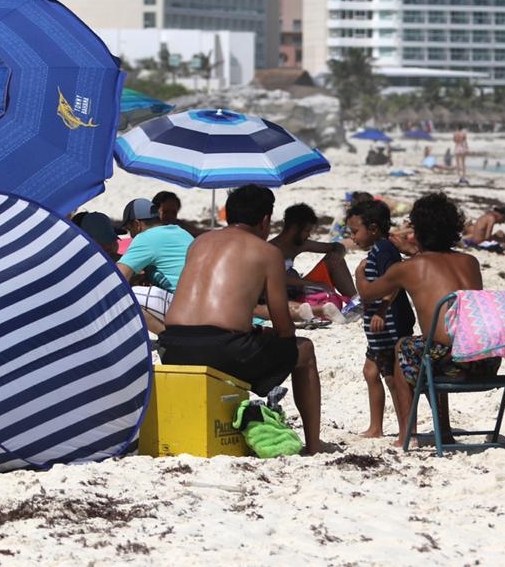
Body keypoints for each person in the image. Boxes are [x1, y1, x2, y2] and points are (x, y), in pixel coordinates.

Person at [161, 185, 323, 454]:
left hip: (173, 346)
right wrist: (273, 336)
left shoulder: (198, 242)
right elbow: (283, 326)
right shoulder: (267, 252)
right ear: (265, 221)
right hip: (222, 349)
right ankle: (315, 445)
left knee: (249, 342)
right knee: (304, 351)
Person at [357, 192, 491, 447]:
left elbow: (367, 293)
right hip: (483, 359)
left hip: (449, 363)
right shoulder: (470, 262)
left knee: (405, 347)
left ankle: (408, 434)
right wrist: (416, 251)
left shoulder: (411, 267)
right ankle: (445, 430)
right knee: (433, 349)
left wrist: (359, 274)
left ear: (417, 231)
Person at [345, 198, 415, 439]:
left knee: (394, 378)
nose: (353, 238)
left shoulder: (385, 250)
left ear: (373, 229)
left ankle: (407, 430)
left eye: (355, 232)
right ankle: (376, 427)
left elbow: (396, 280)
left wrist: (382, 309)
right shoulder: (379, 250)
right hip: (379, 327)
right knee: (371, 372)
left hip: (390, 324)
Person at [117, 198, 195, 334]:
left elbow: (117, 277)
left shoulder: (145, 237)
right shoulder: (181, 232)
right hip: (203, 305)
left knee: (125, 296)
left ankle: (169, 339)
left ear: (137, 224)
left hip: (185, 308)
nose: (131, 235)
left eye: (129, 229)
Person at [269, 203, 356, 308]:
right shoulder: (271, 249)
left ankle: (356, 303)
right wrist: (313, 284)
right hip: (282, 297)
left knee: (336, 261)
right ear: (294, 228)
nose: (309, 235)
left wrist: (337, 255)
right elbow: (276, 278)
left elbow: (337, 247)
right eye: (307, 231)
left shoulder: (299, 244)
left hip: (299, 289)